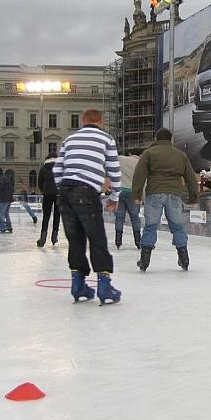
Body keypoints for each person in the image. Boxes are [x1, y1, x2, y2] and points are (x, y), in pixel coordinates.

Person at [53, 109, 125, 305]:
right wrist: (115, 196)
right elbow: (114, 170)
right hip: (86, 192)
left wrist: (63, 189)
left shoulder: (70, 139)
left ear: (83, 121)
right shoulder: (106, 139)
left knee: (75, 240)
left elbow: (57, 169)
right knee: (97, 238)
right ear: (101, 122)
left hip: (65, 192)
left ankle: (78, 284)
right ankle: (104, 286)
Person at [131, 128, 199, 271]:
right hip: (174, 194)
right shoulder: (180, 155)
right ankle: (184, 258)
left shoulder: (149, 153)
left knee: (151, 226)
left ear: (156, 138)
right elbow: (191, 177)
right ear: (171, 139)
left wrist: (137, 194)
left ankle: (144, 260)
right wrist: (193, 197)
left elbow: (139, 174)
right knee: (177, 226)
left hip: (154, 193)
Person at [111, 153, 142, 248]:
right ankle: (138, 242)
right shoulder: (139, 162)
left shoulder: (120, 159)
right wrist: (141, 197)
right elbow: (142, 180)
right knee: (134, 217)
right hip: (132, 192)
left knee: (119, 217)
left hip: (119, 190)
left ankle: (118, 241)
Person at [35, 156, 62, 247]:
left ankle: (43, 237)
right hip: (59, 194)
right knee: (57, 215)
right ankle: (54, 237)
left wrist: (44, 190)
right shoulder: (61, 167)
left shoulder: (44, 168)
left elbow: (39, 182)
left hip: (47, 194)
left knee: (46, 216)